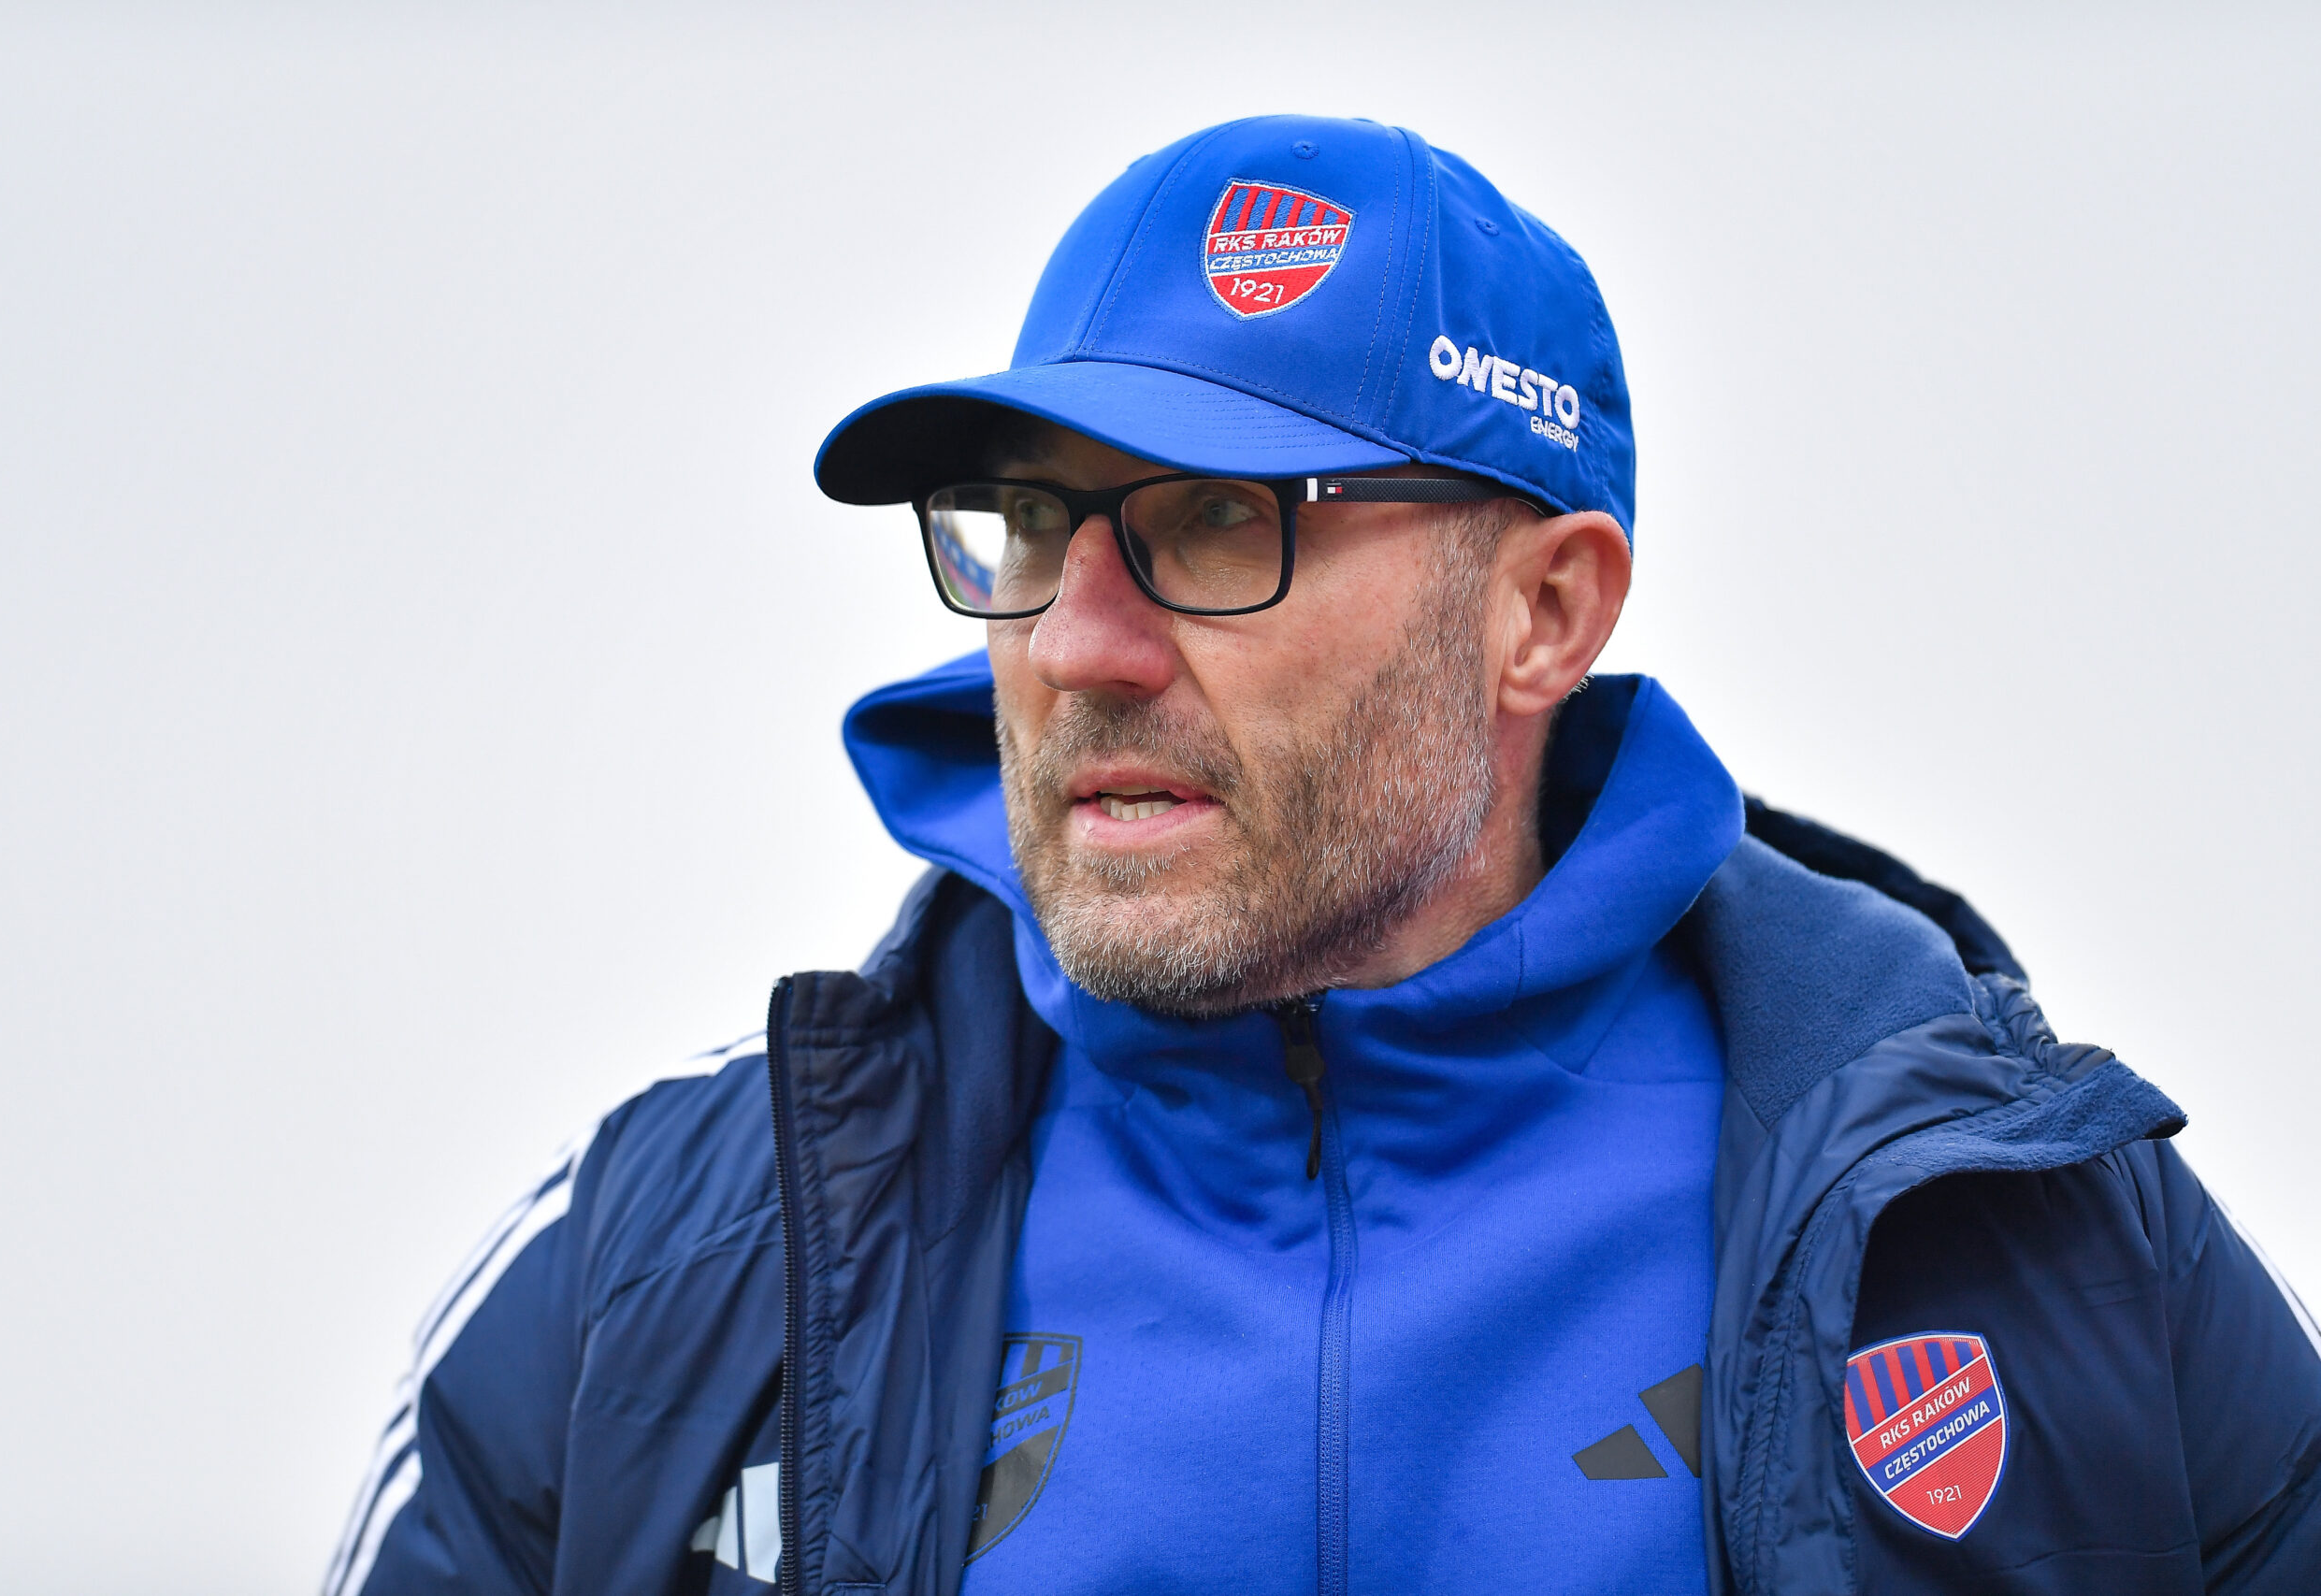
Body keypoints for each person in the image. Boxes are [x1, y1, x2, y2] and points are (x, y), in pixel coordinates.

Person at [324, 114, 2321, 1596]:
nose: (1076, 645)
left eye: (1216, 522)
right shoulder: (676, 1261)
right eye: (1029, 523)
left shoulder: (2029, 1233)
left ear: (1542, 612)